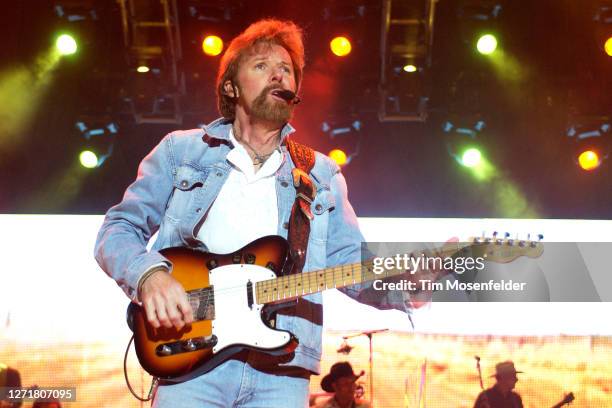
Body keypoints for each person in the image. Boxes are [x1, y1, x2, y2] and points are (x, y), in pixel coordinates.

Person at [95, 18, 410, 407]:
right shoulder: (182, 151)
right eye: (262, 66)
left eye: (288, 70)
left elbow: (349, 263)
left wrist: (407, 285)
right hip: (191, 361)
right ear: (231, 86)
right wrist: (149, 276)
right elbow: (119, 227)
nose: (279, 74)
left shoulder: (320, 174)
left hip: (283, 371)